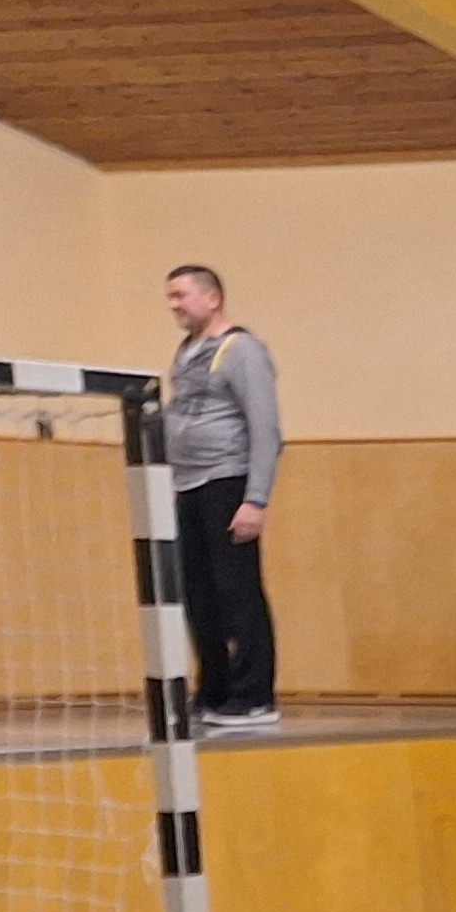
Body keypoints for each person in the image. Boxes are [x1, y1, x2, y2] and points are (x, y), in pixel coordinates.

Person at [161, 265, 280, 733]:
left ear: (213, 299)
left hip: (227, 482)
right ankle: (214, 689)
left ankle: (254, 695)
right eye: (169, 296)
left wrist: (255, 499)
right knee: (198, 593)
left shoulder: (242, 350)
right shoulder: (188, 352)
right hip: (186, 485)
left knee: (237, 591)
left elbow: (265, 427)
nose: (173, 305)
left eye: (181, 295)